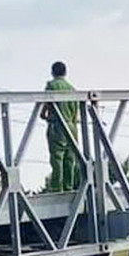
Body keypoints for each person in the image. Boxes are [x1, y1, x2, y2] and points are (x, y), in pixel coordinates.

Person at [42, 61, 79, 191]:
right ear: (65, 72)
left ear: (52, 72)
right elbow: (76, 113)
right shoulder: (72, 89)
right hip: (71, 126)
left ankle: (57, 188)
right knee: (70, 159)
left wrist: (44, 115)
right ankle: (69, 187)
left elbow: (45, 106)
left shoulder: (51, 85)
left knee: (57, 158)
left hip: (57, 126)